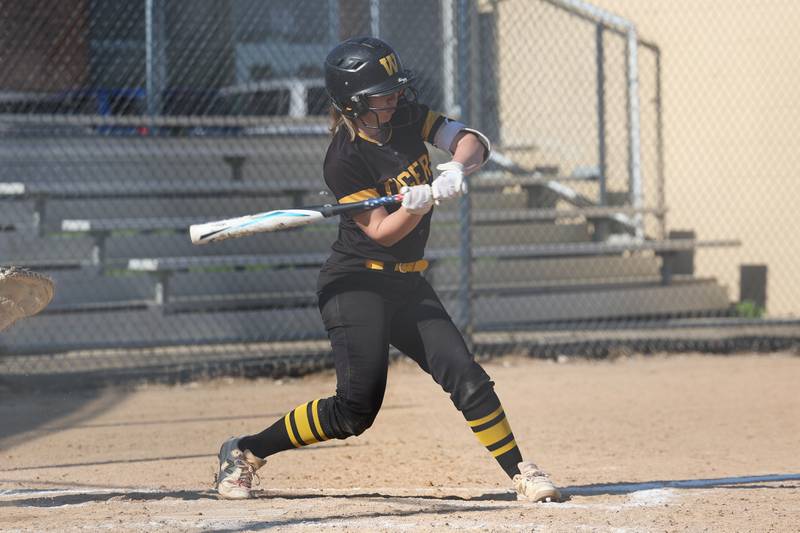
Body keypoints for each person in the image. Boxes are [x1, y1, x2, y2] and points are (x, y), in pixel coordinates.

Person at [214, 37, 561, 503]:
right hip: (355, 283)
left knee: (465, 373)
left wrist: (456, 170)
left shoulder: (407, 116)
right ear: (354, 103)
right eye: (382, 92)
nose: (394, 97)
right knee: (355, 410)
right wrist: (421, 204)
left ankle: (520, 470)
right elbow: (381, 231)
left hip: (407, 281)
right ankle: (246, 451)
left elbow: (471, 141)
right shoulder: (344, 158)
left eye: (395, 88)